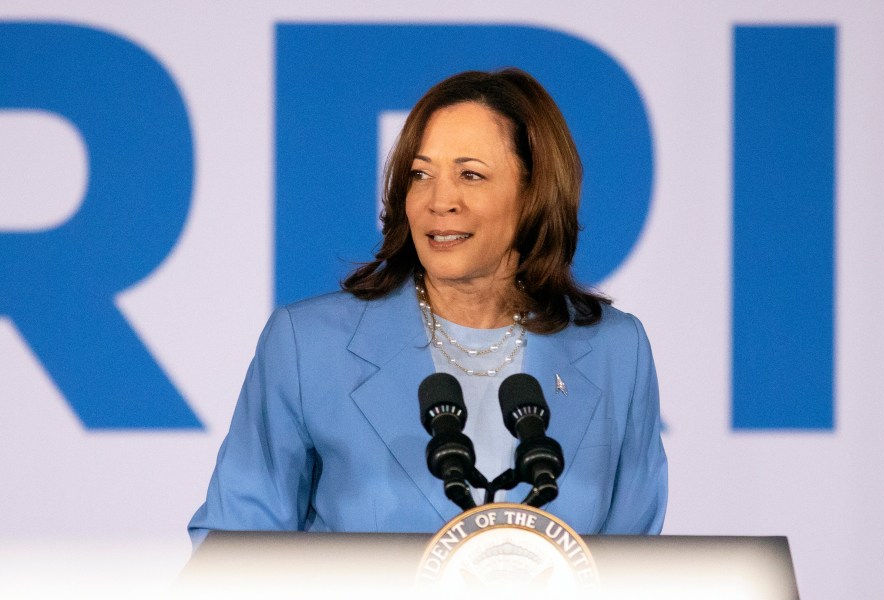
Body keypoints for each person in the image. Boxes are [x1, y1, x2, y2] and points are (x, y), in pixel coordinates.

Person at [188, 68, 666, 549]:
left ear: (533, 193)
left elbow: (637, 567)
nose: (440, 201)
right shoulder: (308, 346)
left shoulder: (616, 352)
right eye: (421, 174)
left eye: (470, 175)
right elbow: (231, 550)